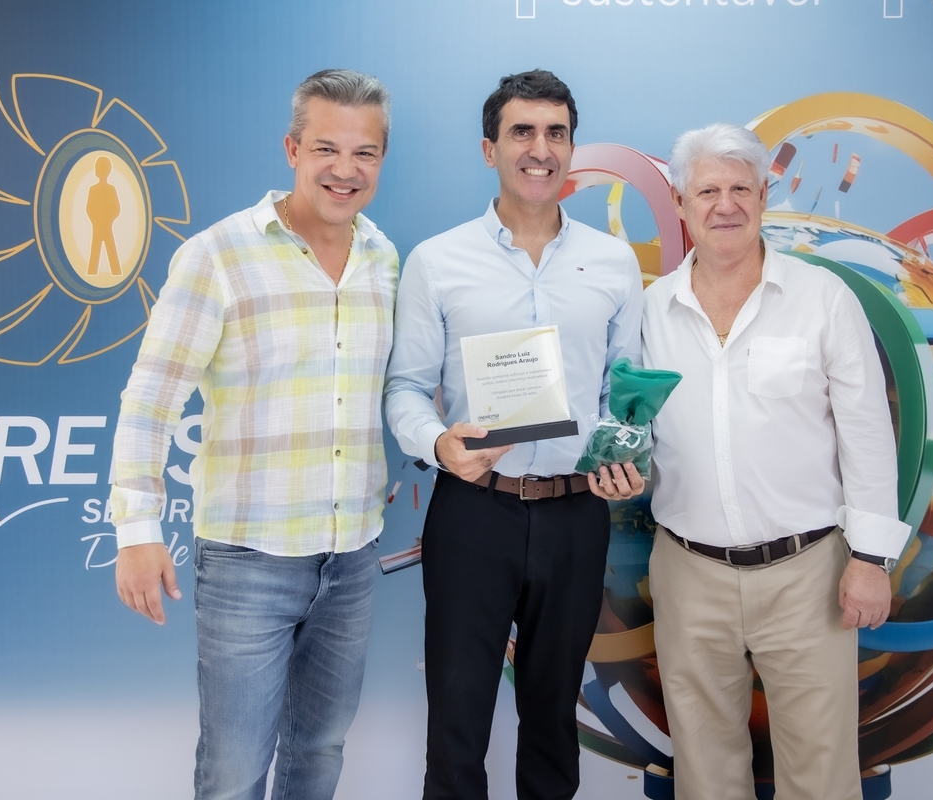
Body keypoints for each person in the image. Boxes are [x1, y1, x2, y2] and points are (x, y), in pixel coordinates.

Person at [109, 69, 397, 800]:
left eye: (364, 153)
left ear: (381, 160)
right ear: (292, 149)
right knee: (234, 770)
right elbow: (150, 399)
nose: (345, 169)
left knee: (320, 753)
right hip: (248, 561)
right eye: (326, 148)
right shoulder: (218, 256)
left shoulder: (383, 258)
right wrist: (136, 531)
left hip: (353, 556)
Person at [384, 69, 645, 800]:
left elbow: (624, 392)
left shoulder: (614, 263)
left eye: (556, 133)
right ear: (489, 149)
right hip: (474, 510)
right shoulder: (438, 261)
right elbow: (405, 389)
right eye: (522, 132)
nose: (540, 148)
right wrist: (439, 444)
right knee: (457, 716)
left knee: (555, 716)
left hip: (576, 511)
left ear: (572, 148)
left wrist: (626, 452)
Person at [642, 123, 911, 800]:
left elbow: (867, 433)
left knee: (821, 773)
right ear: (680, 202)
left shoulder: (823, 298)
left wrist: (871, 560)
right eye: (708, 190)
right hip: (687, 572)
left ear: (765, 195)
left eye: (741, 189)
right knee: (704, 772)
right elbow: (633, 430)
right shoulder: (649, 311)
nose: (725, 205)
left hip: (810, 573)